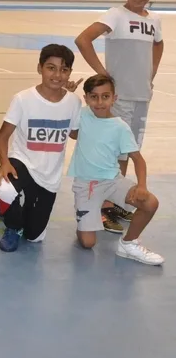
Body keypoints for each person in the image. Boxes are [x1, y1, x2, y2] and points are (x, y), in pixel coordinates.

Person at [74, 0, 162, 232]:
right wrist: (104, 75)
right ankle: (102, 208)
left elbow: (158, 44)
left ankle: (111, 202)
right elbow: (83, 39)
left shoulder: (154, 21)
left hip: (141, 98)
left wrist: (151, 74)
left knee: (126, 152)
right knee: (111, 155)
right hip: (119, 99)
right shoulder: (115, 15)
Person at [0, 44, 82, 252]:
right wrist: (4, 163)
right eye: (51, 68)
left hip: (49, 176)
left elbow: (75, 134)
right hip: (22, 162)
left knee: (34, 236)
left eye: (64, 69)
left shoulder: (73, 102)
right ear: (39, 68)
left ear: (69, 72)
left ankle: (8, 207)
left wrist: (86, 109)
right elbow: (2, 136)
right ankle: (12, 225)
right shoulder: (23, 99)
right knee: (5, 188)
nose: (57, 75)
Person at [69, 74, 162, 265]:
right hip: (86, 185)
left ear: (114, 98)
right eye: (93, 96)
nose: (100, 102)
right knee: (87, 243)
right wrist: (67, 98)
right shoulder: (82, 114)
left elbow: (138, 159)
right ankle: (85, 218)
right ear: (85, 98)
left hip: (112, 181)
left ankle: (128, 244)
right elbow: (72, 133)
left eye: (105, 96)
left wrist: (142, 185)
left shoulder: (120, 127)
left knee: (150, 203)